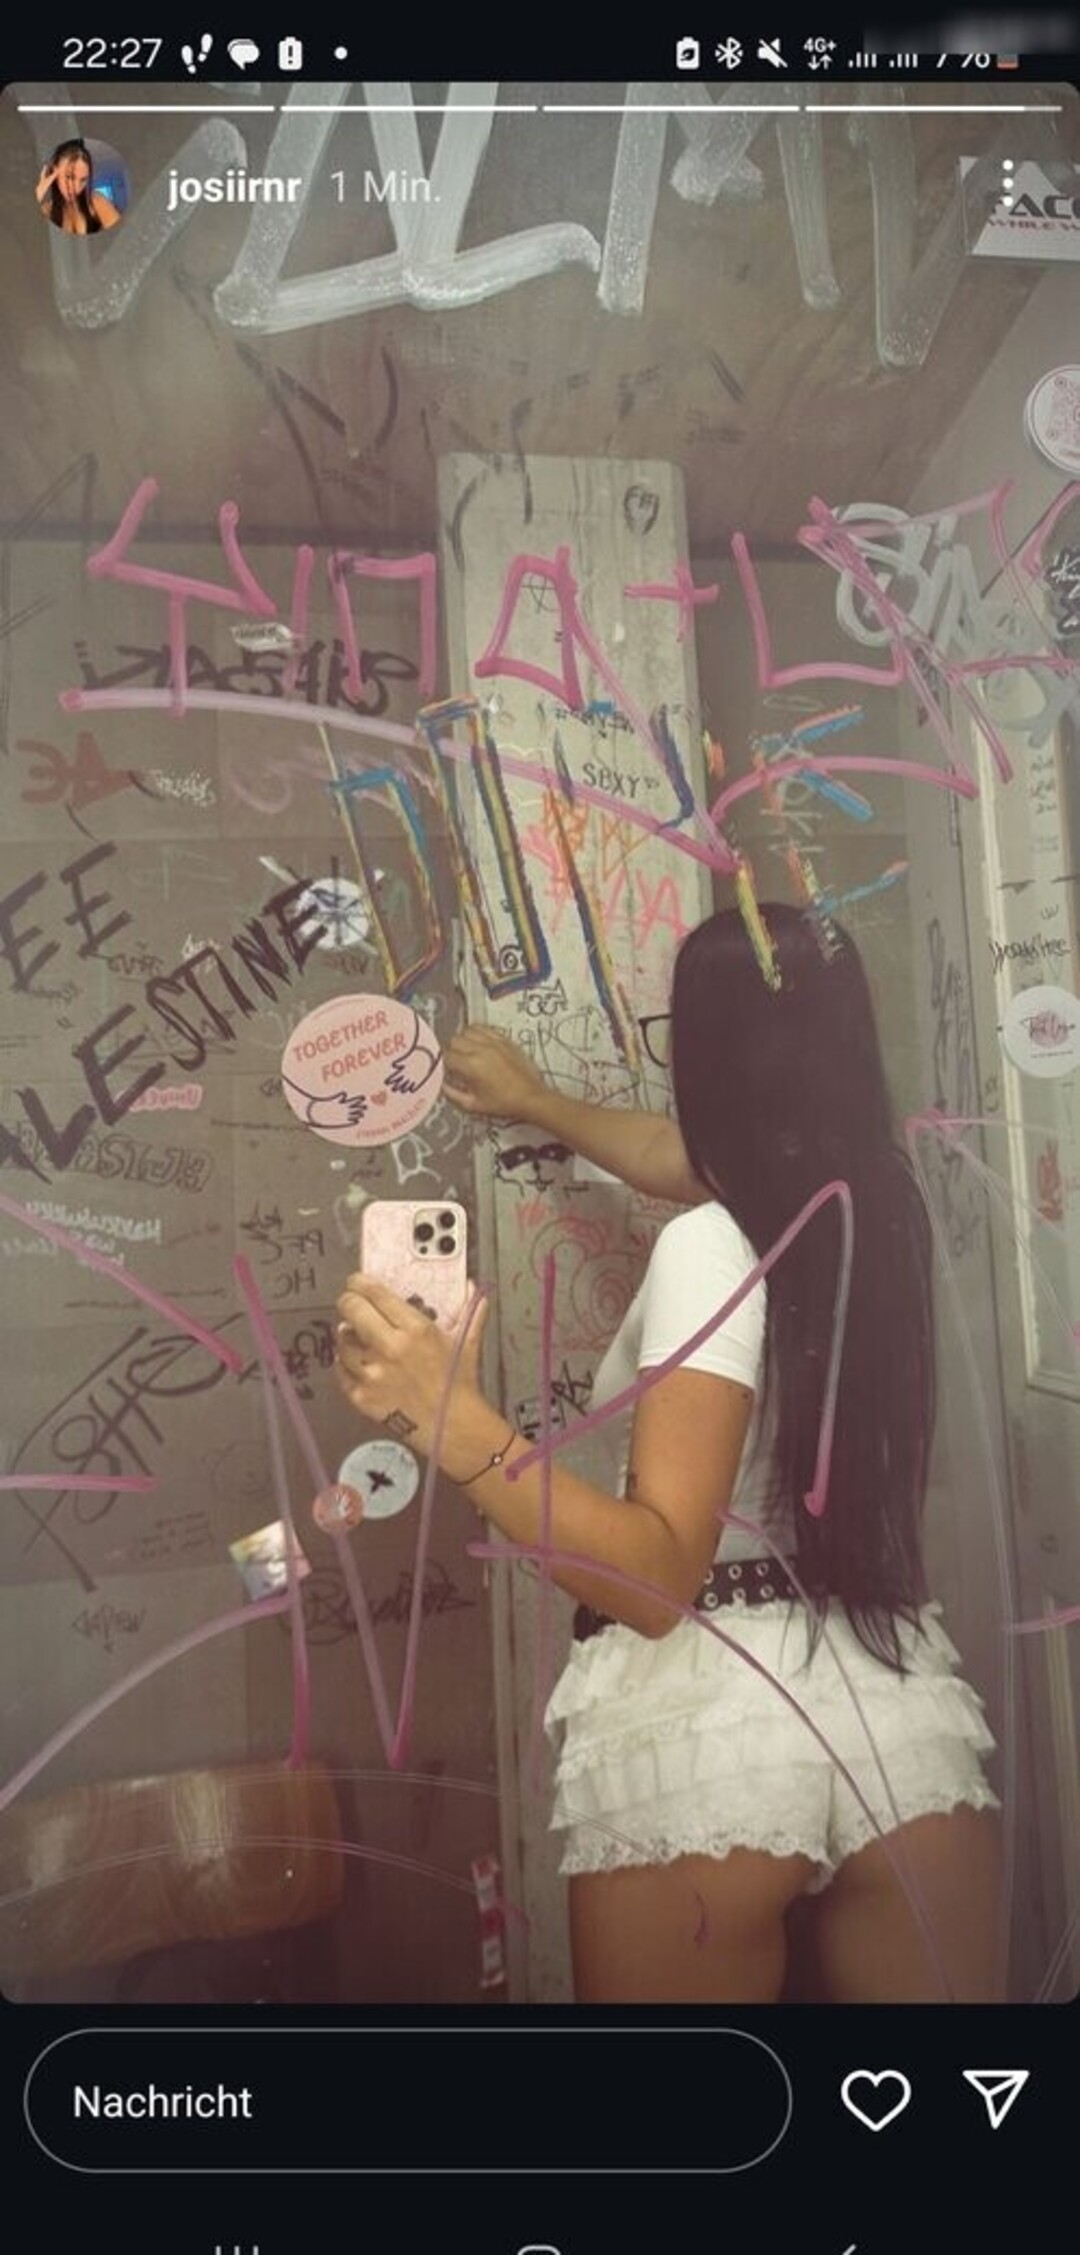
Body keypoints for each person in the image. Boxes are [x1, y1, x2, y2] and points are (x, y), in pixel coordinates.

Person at [334, 904, 1002, 2003]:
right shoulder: (876, 1203)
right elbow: (674, 1154)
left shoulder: (711, 1242)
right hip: (890, 1715)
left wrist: (455, 1423)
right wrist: (538, 1099)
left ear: (705, 1056)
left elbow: (655, 1578)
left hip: (714, 1730)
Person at [36, 141, 121, 234]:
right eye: (69, 177)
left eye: (83, 180)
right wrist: (38, 194)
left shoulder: (96, 202)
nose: (77, 189)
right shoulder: (46, 210)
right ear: (54, 171)